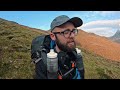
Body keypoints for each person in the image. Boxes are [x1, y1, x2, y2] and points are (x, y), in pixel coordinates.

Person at [31, 15, 84, 79]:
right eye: (66, 32)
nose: (72, 35)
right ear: (53, 36)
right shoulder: (43, 62)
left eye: (73, 31)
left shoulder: (74, 53)